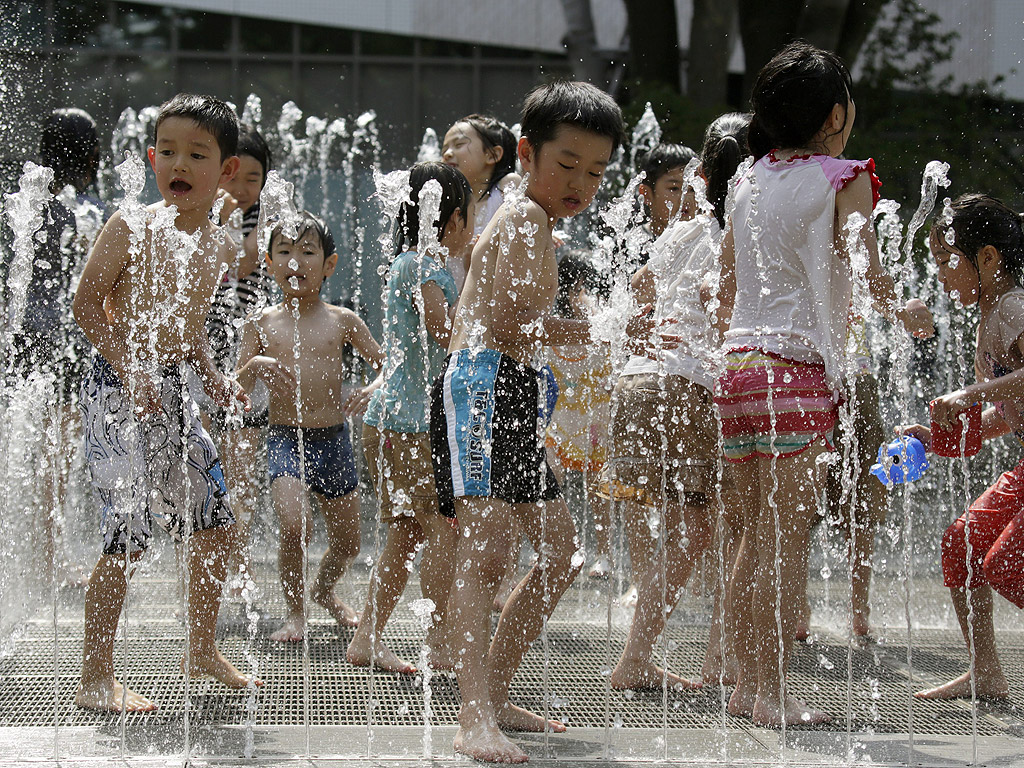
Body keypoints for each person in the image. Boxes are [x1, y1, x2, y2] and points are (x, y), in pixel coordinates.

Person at [714, 42, 934, 727]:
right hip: (796, 376)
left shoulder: (746, 178)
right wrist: (908, 311)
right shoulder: (846, 177)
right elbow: (868, 278)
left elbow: (724, 284)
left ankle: (747, 686)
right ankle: (774, 692)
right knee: (784, 542)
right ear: (836, 114)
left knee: (752, 536)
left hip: (738, 372)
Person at [430, 80, 624, 763]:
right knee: (486, 554)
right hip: (481, 385)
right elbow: (511, 323)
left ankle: (495, 691)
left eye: (596, 171)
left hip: (513, 387)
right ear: (525, 152)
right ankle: (471, 714)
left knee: (561, 551)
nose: (580, 181)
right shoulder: (521, 219)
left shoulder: (538, 221)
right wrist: (602, 330)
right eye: (566, 163)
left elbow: (526, 329)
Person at [72, 93, 259, 712]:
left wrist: (217, 375)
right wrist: (130, 369)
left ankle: (201, 648)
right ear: (152, 158)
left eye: (196, 154)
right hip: (118, 389)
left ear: (226, 170)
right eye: (168, 152)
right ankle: (96, 676)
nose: (178, 163)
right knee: (126, 535)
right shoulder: (131, 226)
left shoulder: (216, 241)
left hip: (175, 387)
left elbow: (192, 325)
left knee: (215, 522)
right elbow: (85, 305)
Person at [610, 115, 750, 691]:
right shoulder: (733, 236)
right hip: (692, 388)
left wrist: (644, 338)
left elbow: (634, 296)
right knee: (725, 528)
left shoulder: (681, 231)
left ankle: (658, 655)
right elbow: (723, 320)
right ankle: (704, 658)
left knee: (691, 529)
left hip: (642, 385)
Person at [346, 162, 473, 675]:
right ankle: (442, 641)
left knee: (406, 534)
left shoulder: (411, 263)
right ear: (452, 220)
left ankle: (366, 638)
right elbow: (443, 331)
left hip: (401, 419)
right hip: (413, 425)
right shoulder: (422, 266)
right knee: (445, 529)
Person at [236, 211, 383, 642]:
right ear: (268, 261)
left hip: (334, 439)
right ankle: (296, 613)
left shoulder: (342, 320)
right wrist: (255, 363)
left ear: (328, 264)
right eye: (284, 251)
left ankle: (323, 589)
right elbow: (234, 386)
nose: (295, 261)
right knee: (295, 525)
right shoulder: (260, 324)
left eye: (306, 251)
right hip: (286, 438)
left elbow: (387, 365)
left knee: (348, 542)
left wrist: (374, 388)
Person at [902, 194, 1024, 701]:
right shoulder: (990, 314)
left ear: (988, 258)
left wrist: (968, 395)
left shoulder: (1014, 309)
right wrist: (942, 437)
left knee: (1006, 563)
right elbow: (1011, 408)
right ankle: (987, 674)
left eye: (947, 262)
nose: (942, 278)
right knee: (964, 542)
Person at [11, 108, 102, 587]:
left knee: (35, 445)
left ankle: (39, 553)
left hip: (27, 335)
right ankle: (52, 559)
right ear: (91, 153)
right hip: (68, 338)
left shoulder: (26, 203)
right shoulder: (90, 210)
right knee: (60, 453)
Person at [207, 125, 274, 598]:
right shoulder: (199, 219)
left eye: (255, 179)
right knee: (201, 460)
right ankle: (204, 569)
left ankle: (241, 562)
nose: (243, 188)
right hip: (203, 349)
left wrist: (247, 220)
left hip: (247, 350)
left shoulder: (267, 224)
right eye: (236, 176)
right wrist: (220, 218)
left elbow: (249, 264)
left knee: (242, 460)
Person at [543, 253, 614, 578]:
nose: (581, 296)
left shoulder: (598, 319)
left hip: (593, 416)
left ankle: (605, 553)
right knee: (550, 475)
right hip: (558, 419)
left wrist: (589, 309)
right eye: (577, 288)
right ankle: (550, 547)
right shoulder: (550, 323)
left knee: (597, 487)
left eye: (585, 289)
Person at [441, 113, 521, 292]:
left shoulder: (505, 188)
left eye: (459, 144)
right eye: (443, 149)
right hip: (457, 308)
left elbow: (524, 221)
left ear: (492, 155)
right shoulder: (449, 206)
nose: (447, 154)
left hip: (496, 303)